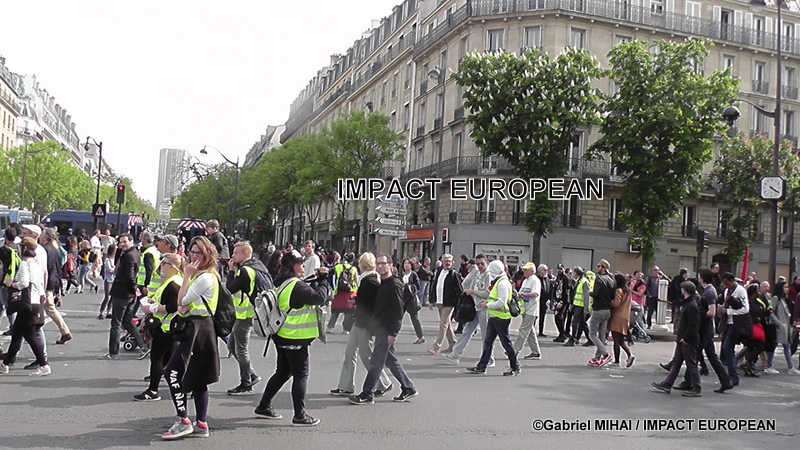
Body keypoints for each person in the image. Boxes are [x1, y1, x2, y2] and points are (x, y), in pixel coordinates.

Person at [254, 249, 329, 426]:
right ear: (291, 266)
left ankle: (263, 406)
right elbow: (319, 298)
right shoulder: (296, 285)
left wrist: (316, 280)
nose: (303, 266)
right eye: (300, 263)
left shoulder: (282, 282)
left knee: (282, 372)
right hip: (295, 337)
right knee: (300, 375)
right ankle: (299, 415)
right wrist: (324, 280)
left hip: (281, 335)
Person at [160, 236, 222, 439]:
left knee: (172, 373)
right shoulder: (203, 275)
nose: (194, 256)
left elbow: (182, 300)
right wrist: (182, 306)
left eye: (198, 253)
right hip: (197, 327)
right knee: (197, 378)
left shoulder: (204, 277)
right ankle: (201, 423)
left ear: (207, 255)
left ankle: (184, 420)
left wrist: (186, 276)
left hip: (199, 330)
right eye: (192, 252)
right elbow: (182, 305)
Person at [348, 253, 418, 404]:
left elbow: (398, 311)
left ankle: (367, 393)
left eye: (383, 263)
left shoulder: (394, 284)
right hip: (380, 327)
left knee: (376, 363)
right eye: (378, 263)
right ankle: (408, 387)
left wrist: (393, 332)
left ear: (390, 265)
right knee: (391, 361)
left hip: (386, 329)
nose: (380, 266)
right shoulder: (383, 283)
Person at [330, 252, 393, 397]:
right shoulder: (370, 278)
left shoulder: (369, 280)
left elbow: (371, 303)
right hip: (360, 321)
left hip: (364, 322)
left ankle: (383, 382)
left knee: (365, 355)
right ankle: (346, 386)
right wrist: (357, 301)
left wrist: (357, 302)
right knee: (351, 351)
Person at [135, 253, 183, 402]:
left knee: (157, 358)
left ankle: (153, 391)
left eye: (164, 263)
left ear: (172, 267)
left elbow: (173, 306)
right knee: (170, 358)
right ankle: (177, 384)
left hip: (166, 325)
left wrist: (152, 308)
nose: (161, 265)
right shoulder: (173, 280)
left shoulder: (173, 283)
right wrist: (153, 301)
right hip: (169, 325)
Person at [0, 237, 50, 376]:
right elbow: (39, 283)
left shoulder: (24, 264)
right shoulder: (35, 264)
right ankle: (5, 364)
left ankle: (44, 365)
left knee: (30, 336)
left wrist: (10, 283)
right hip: (35, 302)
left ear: (24, 248)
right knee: (17, 334)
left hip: (27, 303)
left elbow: (23, 283)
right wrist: (42, 295)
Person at [225, 241, 269, 395]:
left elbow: (230, 288)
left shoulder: (245, 271)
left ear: (245, 254)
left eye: (235, 252)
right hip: (245, 312)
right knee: (232, 346)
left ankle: (246, 383)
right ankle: (251, 374)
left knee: (241, 349)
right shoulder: (257, 265)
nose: (232, 255)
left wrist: (231, 271)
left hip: (245, 313)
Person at [465, 259, 520, 376]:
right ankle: (482, 366)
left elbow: (501, 302)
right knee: (488, 342)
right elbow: (496, 299)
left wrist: (487, 305)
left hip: (500, 318)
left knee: (506, 344)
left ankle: (515, 367)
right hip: (495, 316)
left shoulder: (502, 284)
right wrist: (487, 302)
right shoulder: (500, 281)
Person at [652, 281, 702, 397]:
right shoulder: (687, 303)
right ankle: (667, 383)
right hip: (682, 339)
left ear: (684, 290)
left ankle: (697, 387)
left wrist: (686, 338)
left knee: (691, 365)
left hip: (688, 340)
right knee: (676, 363)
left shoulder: (691, 305)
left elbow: (693, 325)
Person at [444, 254, 493, 365]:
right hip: (475, 307)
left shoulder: (488, 275)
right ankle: (455, 354)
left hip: (484, 308)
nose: (479, 266)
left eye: (482, 263)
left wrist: (473, 292)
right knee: (467, 331)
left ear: (486, 263)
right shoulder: (476, 273)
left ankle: (490, 358)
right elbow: (465, 283)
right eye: (477, 264)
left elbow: (488, 293)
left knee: (486, 335)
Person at [101, 233, 145, 360]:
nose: (122, 244)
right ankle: (144, 345)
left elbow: (129, 276)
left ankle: (113, 352)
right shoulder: (133, 253)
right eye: (120, 242)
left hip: (123, 293)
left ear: (131, 241)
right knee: (127, 321)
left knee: (116, 323)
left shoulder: (129, 255)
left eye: (124, 242)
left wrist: (134, 289)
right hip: (129, 293)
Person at [40, 228, 71, 345]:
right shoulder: (55, 249)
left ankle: (65, 331)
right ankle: (65, 332)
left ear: (45, 237)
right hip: (53, 280)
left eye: (41, 235)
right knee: (47, 308)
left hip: (46, 282)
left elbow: (45, 268)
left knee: (48, 308)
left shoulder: (44, 249)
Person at [427, 254, 462, 355]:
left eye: (449, 261)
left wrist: (457, 303)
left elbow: (460, 290)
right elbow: (435, 286)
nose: (447, 263)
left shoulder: (454, 274)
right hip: (440, 301)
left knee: (443, 324)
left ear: (452, 263)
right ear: (442, 262)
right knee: (447, 324)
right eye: (446, 261)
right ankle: (453, 343)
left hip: (449, 303)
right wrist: (431, 300)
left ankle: (436, 347)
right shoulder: (439, 272)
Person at [719, 272, 749, 387]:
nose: (725, 286)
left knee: (727, 347)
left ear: (732, 281)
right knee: (727, 349)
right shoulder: (727, 291)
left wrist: (728, 311)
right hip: (727, 322)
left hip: (735, 323)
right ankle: (732, 374)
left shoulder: (741, 291)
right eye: (724, 284)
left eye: (727, 283)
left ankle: (734, 375)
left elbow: (746, 309)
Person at [767, 281, 800, 374]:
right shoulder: (776, 298)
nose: (787, 289)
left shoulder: (783, 299)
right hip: (779, 326)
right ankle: (769, 365)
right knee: (775, 346)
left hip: (784, 326)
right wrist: (777, 323)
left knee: (786, 346)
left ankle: (790, 366)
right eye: (785, 287)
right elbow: (770, 311)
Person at [587, 259, 614, 367]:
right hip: (607, 310)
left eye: (598, 266)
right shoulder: (611, 280)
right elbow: (612, 296)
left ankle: (605, 354)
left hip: (598, 309)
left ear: (603, 268)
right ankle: (596, 358)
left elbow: (596, 294)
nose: (597, 268)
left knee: (592, 334)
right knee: (602, 336)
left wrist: (590, 293)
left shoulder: (599, 279)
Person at [515, 262, 541, 360]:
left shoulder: (535, 280)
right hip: (525, 309)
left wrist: (523, 295)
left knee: (523, 330)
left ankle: (515, 350)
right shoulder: (525, 280)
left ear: (532, 271)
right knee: (530, 332)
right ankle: (535, 352)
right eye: (524, 269)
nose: (524, 271)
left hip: (531, 310)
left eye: (526, 270)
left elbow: (535, 294)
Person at [328, 253, 358, 334]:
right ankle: (346, 329)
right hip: (350, 292)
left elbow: (331, 272)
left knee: (335, 310)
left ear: (344, 259)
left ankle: (330, 327)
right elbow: (356, 281)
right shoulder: (353, 269)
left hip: (339, 291)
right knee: (348, 311)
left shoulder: (338, 267)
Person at [609, 273, 634, 368]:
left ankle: (616, 361)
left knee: (616, 340)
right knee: (620, 340)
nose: (613, 281)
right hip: (625, 316)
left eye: (614, 279)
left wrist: (610, 302)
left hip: (617, 316)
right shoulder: (627, 291)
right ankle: (629, 355)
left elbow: (616, 304)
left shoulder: (618, 290)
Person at [565, 267, 591, 347]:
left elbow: (587, 296)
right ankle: (590, 339)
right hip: (577, 305)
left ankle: (572, 339)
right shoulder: (579, 281)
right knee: (582, 323)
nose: (573, 274)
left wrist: (586, 309)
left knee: (574, 323)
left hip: (581, 306)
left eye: (574, 273)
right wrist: (572, 305)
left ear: (577, 273)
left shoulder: (584, 282)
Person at [400, 258, 424, 343]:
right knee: (398, 317)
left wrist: (408, 286)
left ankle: (421, 337)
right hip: (403, 299)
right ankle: (392, 335)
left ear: (411, 265)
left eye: (408, 263)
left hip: (411, 299)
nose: (406, 265)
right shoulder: (402, 275)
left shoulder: (413, 274)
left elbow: (418, 286)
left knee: (414, 318)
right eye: (405, 263)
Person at [551, 263, 573, 343]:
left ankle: (562, 334)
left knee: (559, 316)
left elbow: (567, 291)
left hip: (563, 300)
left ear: (563, 269)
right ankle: (561, 333)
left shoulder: (566, 278)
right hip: (557, 299)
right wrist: (552, 299)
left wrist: (562, 301)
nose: (559, 270)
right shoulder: (558, 277)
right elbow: (555, 289)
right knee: (557, 317)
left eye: (561, 269)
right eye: (558, 269)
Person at [99, 245, 116, 319]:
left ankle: (109, 311)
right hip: (108, 280)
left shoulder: (115, 259)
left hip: (114, 279)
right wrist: (116, 269)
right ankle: (101, 312)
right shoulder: (107, 259)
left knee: (112, 297)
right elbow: (109, 270)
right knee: (107, 297)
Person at [537, 264, 552, 337]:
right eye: (544, 270)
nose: (546, 271)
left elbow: (549, 290)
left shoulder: (547, 279)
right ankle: (531, 331)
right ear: (540, 270)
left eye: (547, 270)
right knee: (534, 317)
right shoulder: (537, 279)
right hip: (538, 301)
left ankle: (541, 331)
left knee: (542, 317)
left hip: (544, 301)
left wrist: (549, 299)